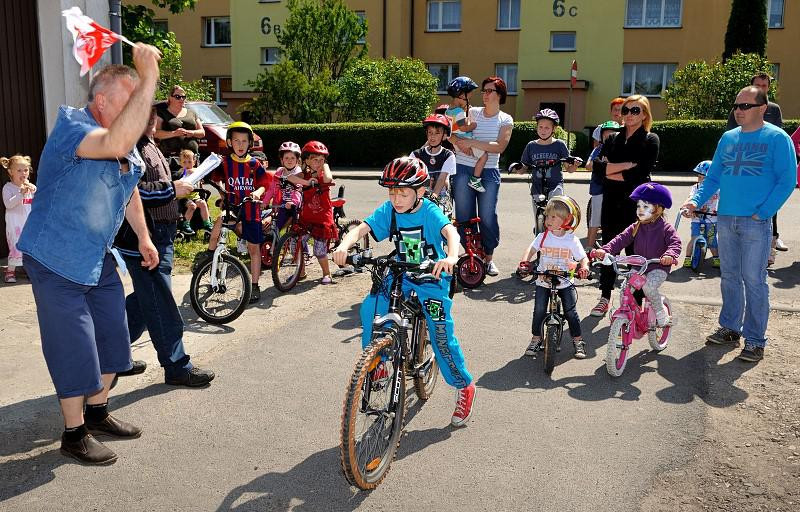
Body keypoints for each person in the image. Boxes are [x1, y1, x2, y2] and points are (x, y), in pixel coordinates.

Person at [16, 46, 162, 465]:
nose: (137, 109)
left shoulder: (124, 143)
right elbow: (115, 141)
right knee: (73, 343)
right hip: (54, 257)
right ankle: (73, 432)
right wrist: (149, 77)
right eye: (129, 99)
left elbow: (128, 190)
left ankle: (97, 413)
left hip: (96, 258)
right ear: (101, 100)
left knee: (114, 335)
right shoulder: (73, 127)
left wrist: (144, 237)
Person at [332, 157, 476, 427]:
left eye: (403, 193)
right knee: (371, 308)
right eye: (392, 192)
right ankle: (377, 363)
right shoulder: (390, 210)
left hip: (432, 276)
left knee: (441, 335)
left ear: (420, 191)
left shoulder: (430, 211)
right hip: (401, 272)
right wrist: (344, 245)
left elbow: (451, 233)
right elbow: (362, 228)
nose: (396, 199)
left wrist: (451, 257)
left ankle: (464, 385)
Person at [681, 85, 797, 362]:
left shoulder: (777, 138)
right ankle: (731, 328)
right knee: (730, 277)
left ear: (762, 108)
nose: (738, 110)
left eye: (745, 106)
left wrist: (763, 212)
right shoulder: (728, 137)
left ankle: (755, 341)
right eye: (736, 105)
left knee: (754, 281)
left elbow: (787, 180)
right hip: (725, 218)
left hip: (756, 222)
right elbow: (713, 178)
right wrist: (695, 201)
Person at [113, 106, 216, 388]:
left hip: (161, 233)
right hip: (145, 237)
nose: (153, 117)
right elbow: (131, 191)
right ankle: (177, 366)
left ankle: (113, 355)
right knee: (159, 301)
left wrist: (180, 182)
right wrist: (172, 189)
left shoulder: (148, 142)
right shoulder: (129, 145)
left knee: (146, 298)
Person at [588, 95, 660, 317]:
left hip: (638, 204)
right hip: (611, 200)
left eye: (635, 110)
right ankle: (605, 296)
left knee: (636, 252)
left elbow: (640, 173)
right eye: (626, 110)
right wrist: (627, 166)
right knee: (609, 249)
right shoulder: (612, 139)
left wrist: (613, 170)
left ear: (645, 114)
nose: (629, 114)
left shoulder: (650, 139)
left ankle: (636, 300)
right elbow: (598, 168)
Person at [450, 76, 514, 277]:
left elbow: (500, 147)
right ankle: (471, 256)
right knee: (464, 217)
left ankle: (488, 258)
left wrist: (472, 143)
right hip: (462, 168)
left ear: (499, 95)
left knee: (487, 217)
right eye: (483, 90)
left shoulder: (505, 119)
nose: (485, 94)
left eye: (489, 91)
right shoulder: (472, 112)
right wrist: (459, 143)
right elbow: (450, 130)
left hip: (489, 171)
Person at [593, 182, 681, 327]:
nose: (640, 210)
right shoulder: (636, 227)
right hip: (639, 267)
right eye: (638, 206)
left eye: (645, 207)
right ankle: (629, 315)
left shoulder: (666, 228)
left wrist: (670, 255)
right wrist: (606, 250)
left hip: (657, 267)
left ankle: (661, 313)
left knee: (649, 287)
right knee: (625, 289)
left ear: (658, 209)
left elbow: (675, 243)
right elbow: (620, 239)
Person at [208, 122, 272, 303]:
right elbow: (216, 179)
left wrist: (257, 192)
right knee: (218, 225)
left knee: (254, 248)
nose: (240, 144)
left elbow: (264, 185)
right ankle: (209, 259)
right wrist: (222, 192)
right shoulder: (225, 162)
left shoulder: (255, 164)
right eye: (236, 141)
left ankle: (255, 285)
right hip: (232, 207)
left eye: (244, 141)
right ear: (229, 142)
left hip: (251, 210)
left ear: (250, 143)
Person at [518, 196, 590, 359]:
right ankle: (536, 338)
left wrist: (584, 267)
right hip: (543, 280)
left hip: (565, 282)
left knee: (570, 312)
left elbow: (583, 258)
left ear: (567, 220)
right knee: (539, 310)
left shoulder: (571, 240)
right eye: (547, 216)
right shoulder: (543, 236)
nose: (548, 220)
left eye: (553, 217)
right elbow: (531, 249)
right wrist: (524, 262)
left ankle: (578, 340)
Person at [726, 72, 788, 262]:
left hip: (766, 167)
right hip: (744, 165)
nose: (761, 88)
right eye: (758, 85)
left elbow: (777, 135)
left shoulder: (774, 109)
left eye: (764, 86)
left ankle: (771, 243)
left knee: (769, 207)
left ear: (768, 88)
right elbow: (731, 135)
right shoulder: (739, 108)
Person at [511, 109, 581, 218]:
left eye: (547, 128)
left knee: (554, 212)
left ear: (554, 129)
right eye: (540, 127)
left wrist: (575, 165)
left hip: (555, 185)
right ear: (537, 127)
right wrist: (518, 168)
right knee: (538, 216)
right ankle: (538, 227)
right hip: (537, 187)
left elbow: (569, 169)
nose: (543, 130)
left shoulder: (559, 145)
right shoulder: (531, 146)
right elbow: (524, 167)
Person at [298, 140, 337, 284]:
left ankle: (327, 273)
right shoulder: (304, 175)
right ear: (306, 160)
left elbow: (328, 178)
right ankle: (300, 272)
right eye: (315, 160)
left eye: (322, 160)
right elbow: (292, 179)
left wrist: (325, 166)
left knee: (319, 250)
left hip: (322, 219)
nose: (319, 163)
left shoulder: (323, 174)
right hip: (307, 218)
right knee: (297, 243)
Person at [445, 77, 489, 193]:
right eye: (468, 96)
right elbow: (463, 128)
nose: (469, 98)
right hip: (466, 140)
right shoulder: (459, 112)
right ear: (461, 95)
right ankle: (475, 179)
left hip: (457, 142)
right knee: (484, 156)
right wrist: (473, 125)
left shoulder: (448, 110)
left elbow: (453, 127)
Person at [585, 121, 621, 249]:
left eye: (613, 134)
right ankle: (589, 248)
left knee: (615, 221)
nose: (609, 137)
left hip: (615, 189)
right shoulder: (598, 149)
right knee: (595, 220)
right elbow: (588, 166)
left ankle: (612, 248)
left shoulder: (621, 150)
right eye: (606, 135)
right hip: (599, 189)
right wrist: (602, 163)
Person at [2, 155, 35, 283]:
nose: (23, 173)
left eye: (26, 170)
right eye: (19, 170)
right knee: (16, 246)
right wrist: (20, 193)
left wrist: (34, 191)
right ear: (11, 172)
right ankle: (10, 271)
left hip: (28, 223)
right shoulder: (8, 188)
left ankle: (29, 270)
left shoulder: (30, 187)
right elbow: (8, 204)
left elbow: (35, 202)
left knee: (29, 247)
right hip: (15, 224)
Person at [154, 85, 204, 169]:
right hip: (172, 159)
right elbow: (156, 133)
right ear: (170, 98)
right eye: (178, 97)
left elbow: (202, 132)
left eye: (183, 97)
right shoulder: (162, 113)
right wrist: (174, 133)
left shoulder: (191, 113)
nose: (181, 99)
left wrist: (192, 133)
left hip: (191, 159)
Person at [683, 160, 720, 268]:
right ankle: (687, 258)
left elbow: (723, 201)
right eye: (699, 177)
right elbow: (690, 198)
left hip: (712, 218)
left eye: (704, 178)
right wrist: (684, 206)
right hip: (696, 217)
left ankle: (716, 257)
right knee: (694, 237)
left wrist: (720, 210)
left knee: (712, 240)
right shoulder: (696, 187)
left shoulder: (718, 189)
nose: (701, 180)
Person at [411, 113, 456, 198]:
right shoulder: (416, 154)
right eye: (430, 132)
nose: (432, 136)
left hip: (440, 197)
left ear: (444, 136)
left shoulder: (448, 155)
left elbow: (442, 178)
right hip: (420, 197)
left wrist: (434, 196)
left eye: (437, 133)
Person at [177, 149, 212, 235]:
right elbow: (181, 175)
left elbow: (200, 172)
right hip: (184, 198)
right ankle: (186, 224)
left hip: (195, 196)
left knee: (203, 203)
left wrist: (196, 173)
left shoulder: (196, 171)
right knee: (192, 206)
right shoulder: (181, 172)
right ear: (180, 163)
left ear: (194, 162)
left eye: (189, 162)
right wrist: (186, 172)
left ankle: (207, 223)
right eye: (184, 162)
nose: (187, 164)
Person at [270, 141, 304, 231]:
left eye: (293, 158)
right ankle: (275, 236)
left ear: (297, 160)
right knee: (273, 224)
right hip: (283, 203)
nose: (290, 160)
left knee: (293, 227)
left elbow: (298, 191)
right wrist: (265, 201)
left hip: (295, 204)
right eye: (286, 158)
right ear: (282, 160)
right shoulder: (279, 172)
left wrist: (293, 202)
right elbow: (272, 189)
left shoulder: (299, 173)